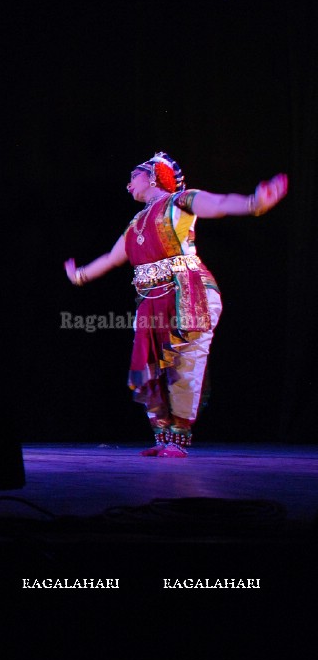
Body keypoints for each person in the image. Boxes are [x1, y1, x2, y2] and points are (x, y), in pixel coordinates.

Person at [64, 152, 288, 457]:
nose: (128, 185)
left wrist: (254, 202)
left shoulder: (180, 201)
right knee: (149, 367)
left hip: (189, 293)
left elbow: (220, 205)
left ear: (154, 176)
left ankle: (179, 438)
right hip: (150, 300)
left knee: (185, 365)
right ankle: (162, 439)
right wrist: (79, 276)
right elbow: (113, 258)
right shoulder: (137, 222)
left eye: (133, 177)